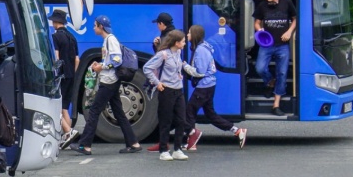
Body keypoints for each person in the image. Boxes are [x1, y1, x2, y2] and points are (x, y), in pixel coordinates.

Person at [69, 16, 143, 156]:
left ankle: (85, 145)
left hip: (109, 81)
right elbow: (111, 60)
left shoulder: (110, 40)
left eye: (95, 25)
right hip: (111, 80)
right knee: (119, 113)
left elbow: (117, 60)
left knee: (94, 111)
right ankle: (133, 143)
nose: (93, 28)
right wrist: (100, 65)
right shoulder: (108, 40)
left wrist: (101, 67)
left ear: (101, 26)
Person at [183, 26, 248, 150]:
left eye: (189, 33)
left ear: (195, 35)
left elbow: (200, 72)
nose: (187, 35)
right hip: (209, 85)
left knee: (189, 111)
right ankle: (237, 130)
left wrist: (185, 66)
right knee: (210, 114)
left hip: (203, 86)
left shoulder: (200, 50)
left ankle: (191, 139)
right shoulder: (204, 47)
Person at [143, 30, 201, 161]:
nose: (185, 44)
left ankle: (177, 149)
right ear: (176, 43)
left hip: (178, 90)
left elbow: (178, 67)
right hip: (166, 90)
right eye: (183, 42)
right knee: (166, 121)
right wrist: (157, 83)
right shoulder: (163, 54)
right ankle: (163, 150)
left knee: (181, 120)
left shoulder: (178, 52)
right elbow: (147, 68)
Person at [254, 0, 297, 116]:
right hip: (266, 44)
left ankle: (276, 105)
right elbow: (257, 22)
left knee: (282, 73)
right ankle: (271, 82)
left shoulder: (286, 2)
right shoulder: (262, 5)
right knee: (260, 68)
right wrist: (259, 30)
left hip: (282, 45)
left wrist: (289, 32)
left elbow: (295, 19)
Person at [48, 9, 80, 149]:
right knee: (64, 107)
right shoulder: (72, 37)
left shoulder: (56, 37)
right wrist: (72, 72)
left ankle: (68, 132)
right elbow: (77, 59)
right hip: (71, 75)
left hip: (61, 76)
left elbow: (56, 57)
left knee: (55, 107)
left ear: (56, 22)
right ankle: (68, 137)